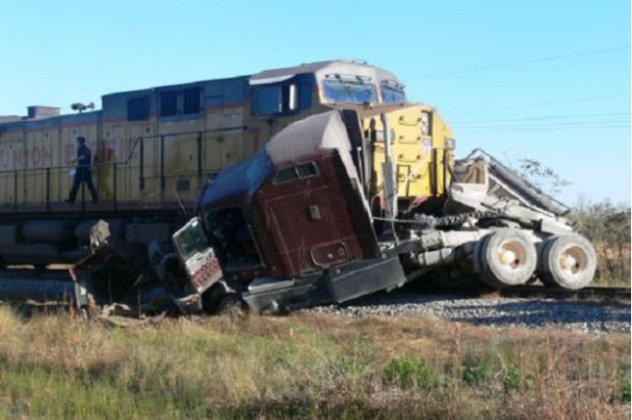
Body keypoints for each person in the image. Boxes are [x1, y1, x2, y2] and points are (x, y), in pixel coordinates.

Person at [66, 136, 98, 203]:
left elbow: (83, 157)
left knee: (88, 184)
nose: (77, 143)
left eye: (78, 141)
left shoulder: (84, 149)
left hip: (84, 169)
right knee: (77, 184)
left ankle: (95, 199)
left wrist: (73, 160)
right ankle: (71, 199)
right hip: (81, 168)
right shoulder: (81, 149)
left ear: (81, 142)